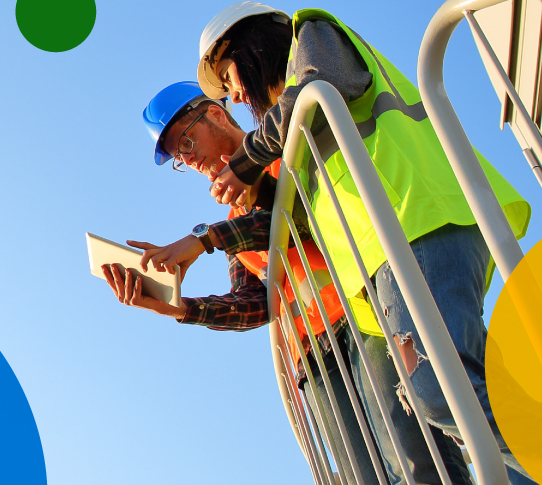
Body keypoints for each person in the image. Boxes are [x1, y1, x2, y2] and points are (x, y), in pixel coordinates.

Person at [194, 1, 536, 484]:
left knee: (440, 393)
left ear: (251, 41)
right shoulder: (291, 136)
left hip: (417, 218)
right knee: (448, 393)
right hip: (385, 260)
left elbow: (324, 84)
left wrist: (245, 163)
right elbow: (290, 228)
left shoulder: (308, 36)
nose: (234, 92)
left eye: (227, 75)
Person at [102, 81, 472, 485]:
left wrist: (206, 238)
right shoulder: (230, 220)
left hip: (362, 319)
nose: (188, 161)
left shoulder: (292, 152)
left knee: (416, 460)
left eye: (186, 143)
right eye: (178, 157)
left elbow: (292, 216)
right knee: (367, 478)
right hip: (311, 358)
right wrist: (180, 308)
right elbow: (254, 303)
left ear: (217, 114)